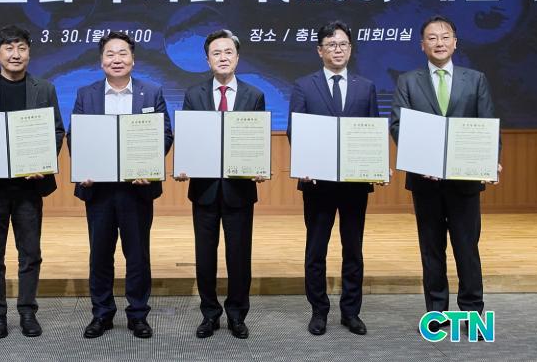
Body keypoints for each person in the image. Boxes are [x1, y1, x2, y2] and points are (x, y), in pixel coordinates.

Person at [390, 15, 501, 333]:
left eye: (445, 36)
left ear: (455, 42)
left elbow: (487, 123)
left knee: (467, 248)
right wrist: (421, 161)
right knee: (432, 250)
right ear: (421, 45)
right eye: (432, 37)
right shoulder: (408, 81)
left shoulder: (475, 79)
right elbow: (398, 125)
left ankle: (472, 313)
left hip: (465, 181)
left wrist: (491, 160)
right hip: (425, 182)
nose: (439, 42)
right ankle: (436, 314)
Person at [69, 31, 173, 339]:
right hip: (99, 190)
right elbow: (76, 135)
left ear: (133, 59)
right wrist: (84, 167)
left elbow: (165, 134)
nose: (117, 59)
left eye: (123, 53)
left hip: (136, 189)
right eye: (110, 54)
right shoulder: (86, 93)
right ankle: (101, 314)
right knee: (100, 255)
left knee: (137, 255)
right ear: (101, 61)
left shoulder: (151, 92)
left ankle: (138, 314)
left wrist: (148, 166)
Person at [0, 25, 65, 339]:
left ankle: (27, 312)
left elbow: (57, 130)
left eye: (21, 47)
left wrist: (44, 161)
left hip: (28, 186)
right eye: (9, 48)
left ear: (29, 52)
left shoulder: (44, 89)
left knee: (30, 252)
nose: (15, 54)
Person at [287, 21, 379, 336]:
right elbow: (295, 131)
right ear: (320, 51)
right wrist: (304, 162)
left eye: (342, 44)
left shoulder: (365, 86)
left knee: (353, 249)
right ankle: (319, 311)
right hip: (317, 183)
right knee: (316, 250)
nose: (337, 50)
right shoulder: (304, 85)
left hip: (354, 184)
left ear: (350, 49)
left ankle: (351, 312)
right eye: (331, 45)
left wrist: (375, 165)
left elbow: (372, 132)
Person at [177, 29, 266, 339]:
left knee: (239, 256)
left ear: (237, 57)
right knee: (205, 257)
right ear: (207, 60)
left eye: (228, 52)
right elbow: (188, 138)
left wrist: (259, 165)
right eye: (216, 53)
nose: (223, 57)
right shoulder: (194, 94)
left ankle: (237, 315)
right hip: (204, 190)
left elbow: (257, 139)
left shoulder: (254, 95)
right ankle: (209, 314)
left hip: (239, 190)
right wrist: (183, 163)